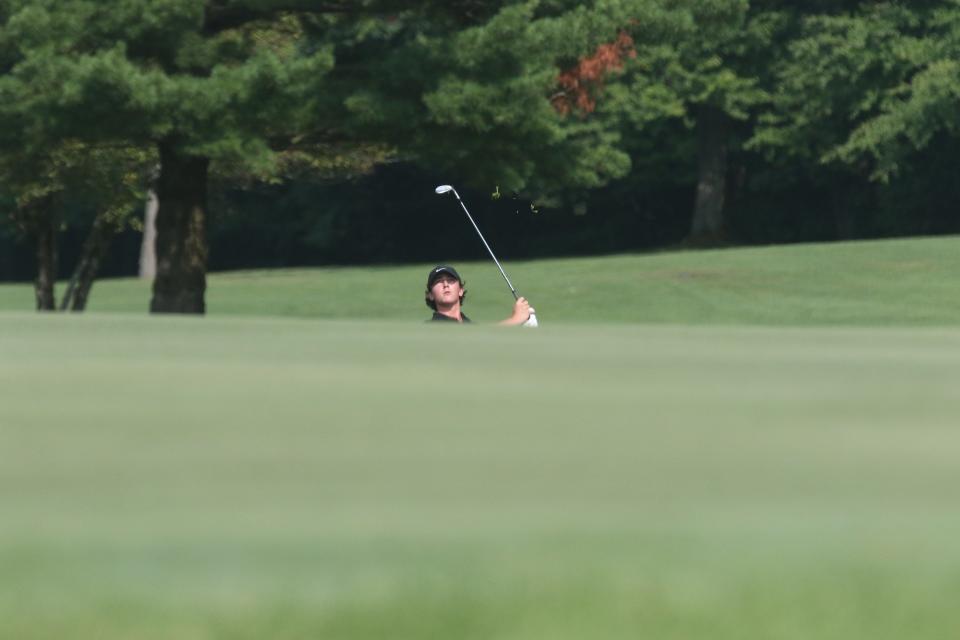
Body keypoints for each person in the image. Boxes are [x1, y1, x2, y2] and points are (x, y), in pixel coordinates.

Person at [425, 265, 533, 325]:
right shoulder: (430, 328)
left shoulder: (471, 326)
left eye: (450, 280)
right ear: (430, 295)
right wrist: (516, 319)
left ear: (460, 290)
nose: (445, 284)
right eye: (438, 281)